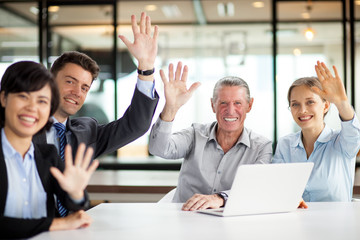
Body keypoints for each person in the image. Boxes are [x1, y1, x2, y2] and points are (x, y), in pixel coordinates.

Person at [33, 12, 159, 161]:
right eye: (70, 82)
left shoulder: (87, 134)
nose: (77, 92)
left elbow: (135, 125)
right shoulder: (23, 124)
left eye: (84, 88)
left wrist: (146, 66)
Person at [148, 62, 273, 211]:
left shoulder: (262, 147)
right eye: (223, 103)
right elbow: (158, 149)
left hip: (231, 224)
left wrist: (220, 198)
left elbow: (257, 187)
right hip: (185, 220)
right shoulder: (195, 134)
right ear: (213, 105)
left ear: (249, 105)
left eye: (238, 103)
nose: (230, 111)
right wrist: (171, 107)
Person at [0, 61, 99, 239]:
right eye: (23, 96)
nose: (32, 108)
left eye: (42, 101)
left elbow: (76, 207)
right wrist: (58, 223)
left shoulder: (48, 156)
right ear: (4, 98)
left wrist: (75, 193)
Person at [273, 61, 360, 203]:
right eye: (295, 104)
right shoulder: (285, 144)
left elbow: (353, 132)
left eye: (310, 102)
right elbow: (277, 184)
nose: (302, 110)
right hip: (295, 222)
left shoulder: (342, 142)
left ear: (325, 106)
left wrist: (341, 102)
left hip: (336, 223)